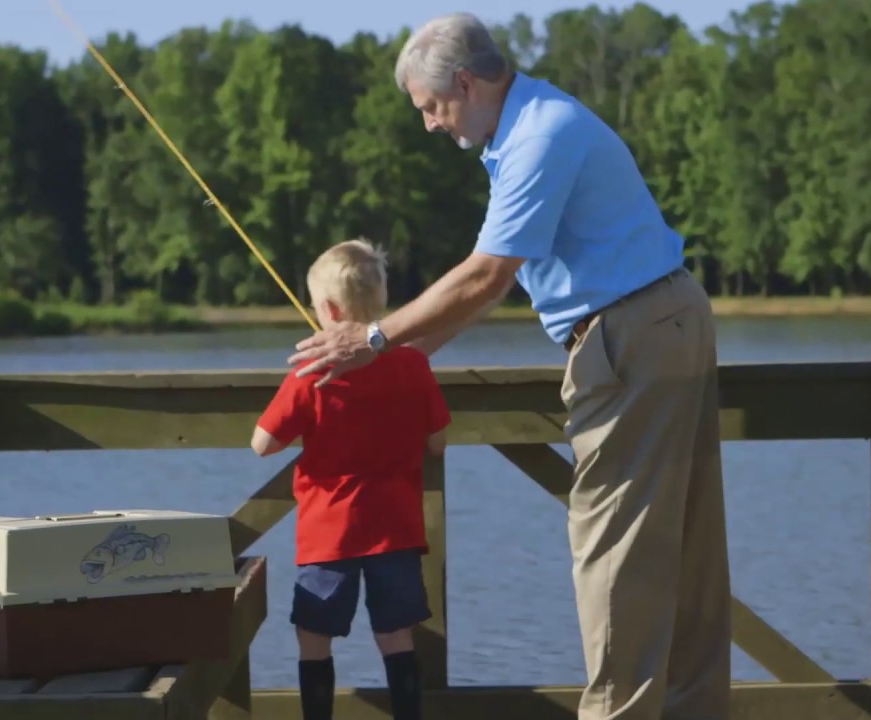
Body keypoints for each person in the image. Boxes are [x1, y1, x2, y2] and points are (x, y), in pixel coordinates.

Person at [286, 12, 731, 720]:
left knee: (614, 555)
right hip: (664, 322)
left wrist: (370, 338)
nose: (430, 124)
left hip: (631, 338)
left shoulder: (538, 137)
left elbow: (484, 276)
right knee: (684, 552)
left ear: (465, 83)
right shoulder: (533, 124)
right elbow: (487, 294)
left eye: (432, 106)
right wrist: (395, 363)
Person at [252, 239, 450, 720]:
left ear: (328, 310)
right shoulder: (413, 364)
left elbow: (263, 443)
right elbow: (438, 441)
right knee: (396, 636)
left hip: (329, 534)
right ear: (381, 301)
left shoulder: (310, 374)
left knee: (313, 637)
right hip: (396, 531)